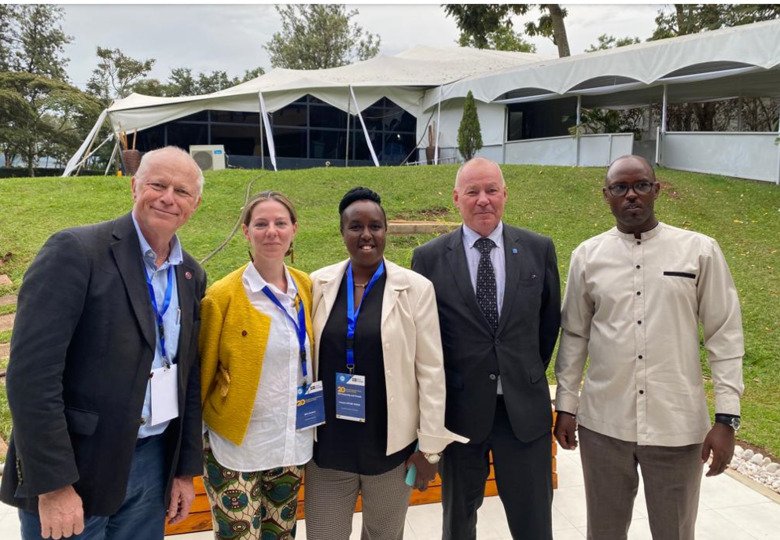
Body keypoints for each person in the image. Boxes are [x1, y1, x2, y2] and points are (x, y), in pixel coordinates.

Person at [1, 146, 207, 539]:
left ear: (194, 204)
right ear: (134, 187)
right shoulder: (76, 252)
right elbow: (31, 378)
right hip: (77, 467)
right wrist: (54, 483)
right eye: (157, 184)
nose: (168, 197)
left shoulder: (190, 275)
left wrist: (183, 471)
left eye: (181, 191)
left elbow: (188, 379)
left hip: (152, 463)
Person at [554, 155, 744, 540]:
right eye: (619, 188)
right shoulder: (587, 257)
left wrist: (726, 419)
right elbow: (574, 335)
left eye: (641, 185)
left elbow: (724, 334)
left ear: (657, 189)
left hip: (676, 426)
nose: (631, 196)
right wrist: (566, 407)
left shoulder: (699, 251)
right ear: (606, 196)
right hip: (605, 425)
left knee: (674, 532)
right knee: (604, 532)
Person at [304, 187, 467, 540]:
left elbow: (431, 371)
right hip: (328, 450)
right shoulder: (317, 283)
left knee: (384, 536)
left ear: (386, 230)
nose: (366, 235)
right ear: (341, 231)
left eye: (375, 226)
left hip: (392, 451)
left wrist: (431, 450)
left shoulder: (416, 288)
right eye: (355, 226)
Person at [411, 157, 561, 540]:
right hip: (460, 415)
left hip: (523, 414)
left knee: (534, 523)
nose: (483, 200)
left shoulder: (538, 249)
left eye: (491, 190)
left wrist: (520, 372)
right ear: (456, 197)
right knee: (458, 523)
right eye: (473, 191)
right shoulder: (427, 258)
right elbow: (425, 336)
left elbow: (547, 326)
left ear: (505, 195)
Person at [199, 191, 314, 539]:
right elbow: (202, 373)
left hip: (291, 440)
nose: (271, 232)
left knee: (281, 534)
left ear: (294, 229)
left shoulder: (306, 287)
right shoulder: (223, 295)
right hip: (236, 446)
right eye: (261, 224)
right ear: (246, 232)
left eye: (280, 223)